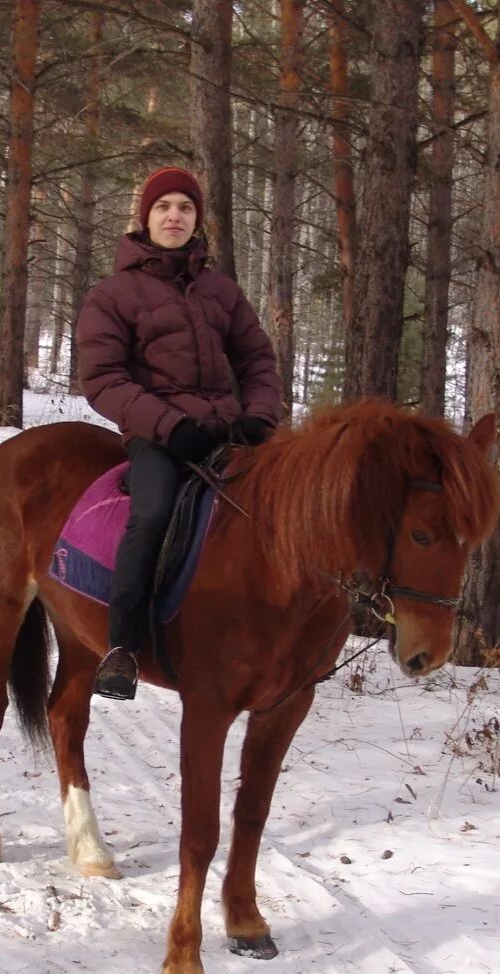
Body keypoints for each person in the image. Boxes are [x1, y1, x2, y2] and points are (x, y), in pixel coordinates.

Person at [74, 166, 284, 700]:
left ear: (197, 220)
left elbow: (258, 359)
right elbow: (102, 378)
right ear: (145, 217)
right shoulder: (114, 294)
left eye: (185, 208)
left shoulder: (222, 292)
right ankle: (123, 645)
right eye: (164, 207)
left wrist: (260, 415)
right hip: (160, 436)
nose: (174, 216)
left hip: (232, 433)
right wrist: (169, 426)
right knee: (152, 514)